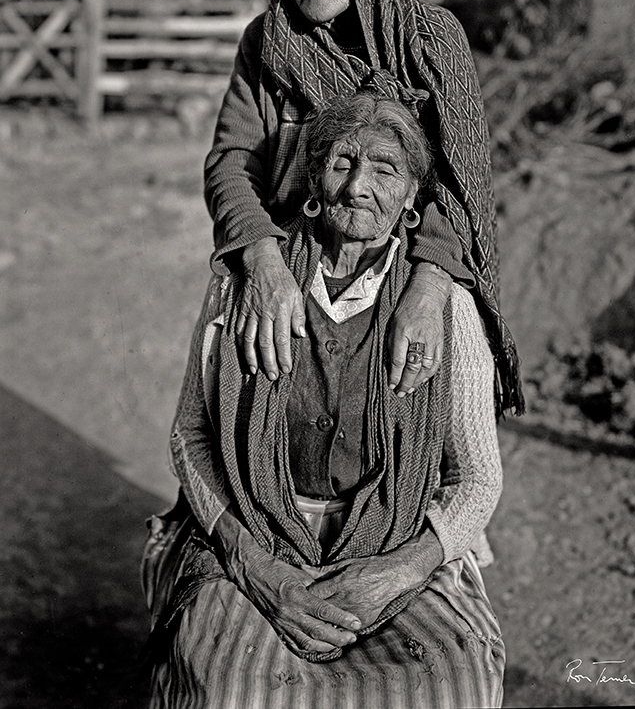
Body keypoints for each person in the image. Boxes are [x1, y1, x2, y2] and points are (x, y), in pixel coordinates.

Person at [142, 87, 505, 708]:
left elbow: (476, 481)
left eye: (385, 170)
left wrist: (399, 571)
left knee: (448, 681)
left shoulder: (442, 308)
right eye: (342, 163)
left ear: (414, 196)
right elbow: (191, 436)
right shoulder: (248, 285)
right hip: (255, 538)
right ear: (314, 176)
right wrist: (255, 564)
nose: (358, 186)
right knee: (231, 685)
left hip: (397, 545)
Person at [204, 0, 524, 415]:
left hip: (406, 264)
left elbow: (458, 183)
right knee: (233, 419)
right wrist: (262, 260)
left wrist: (427, 290)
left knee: (425, 440)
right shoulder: (268, 42)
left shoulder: (430, 42)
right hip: (289, 262)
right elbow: (233, 163)